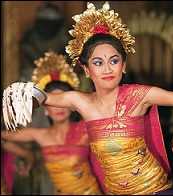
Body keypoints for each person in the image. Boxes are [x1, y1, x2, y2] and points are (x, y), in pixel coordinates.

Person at [2, 2, 173, 195]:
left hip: (155, 190)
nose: (107, 69)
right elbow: (44, 98)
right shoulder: (81, 101)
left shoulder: (139, 95)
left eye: (114, 61)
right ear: (86, 69)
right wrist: (22, 94)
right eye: (98, 63)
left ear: (123, 65)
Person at [2, 50, 106, 195]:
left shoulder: (85, 129)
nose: (59, 107)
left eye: (63, 101)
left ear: (73, 105)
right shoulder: (41, 135)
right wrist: (27, 156)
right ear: (45, 109)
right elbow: (6, 137)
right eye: (53, 102)